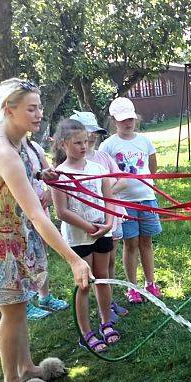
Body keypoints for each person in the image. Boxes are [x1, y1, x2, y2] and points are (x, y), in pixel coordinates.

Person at [0, 78, 93, 382]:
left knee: (19, 308)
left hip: (18, 238)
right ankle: (13, 379)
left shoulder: (22, 141)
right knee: (11, 313)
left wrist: (41, 173)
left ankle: (27, 368)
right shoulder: (0, 150)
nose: (39, 114)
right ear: (9, 110)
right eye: (31, 108)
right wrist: (74, 259)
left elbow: (26, 175)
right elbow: (36, 214)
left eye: (39, 107)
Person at [51, 118, 120, 352]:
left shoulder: (98, 169)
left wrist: (108, 224)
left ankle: (105, 321)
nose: (84, 147)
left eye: (86, 142)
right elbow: (61, 211)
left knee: (103, 277)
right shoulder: (59, 175)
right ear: (63, 144)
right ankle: (86, 332)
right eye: (78, 143)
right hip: (78, 237)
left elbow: (108, 200)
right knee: (84, 285)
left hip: (102, 231)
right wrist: (89, 227)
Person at [98, 97, 163, 304]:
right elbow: (105, 174)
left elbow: (152, 168)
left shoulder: (145, 141)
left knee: (146, 241)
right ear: (114, 121)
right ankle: (132, 286)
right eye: (123, 120)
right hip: (122, 203)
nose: (128, 123)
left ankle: (150, 282)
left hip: (146, 198)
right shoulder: (107, 145)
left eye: (131, 119)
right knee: (130, 243)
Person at [69, 111, 129, 320]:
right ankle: (100, 308)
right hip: (84, 227)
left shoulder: (102, 158)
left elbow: (123, 180)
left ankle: (108, 302)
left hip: (108, 218)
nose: (92, 137)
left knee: (109, 261)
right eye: (87, 133)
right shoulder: (67, 165)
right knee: (89, 271)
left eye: (95, 133)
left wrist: (104, 191)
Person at [23, 137, 69, 320]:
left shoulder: (34, 147)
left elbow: (48, 172)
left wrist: (49, 191)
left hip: (39, 208)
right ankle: (25, 302)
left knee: (41, 250)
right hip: (19, 213)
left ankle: (44, 296)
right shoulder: (5, 149)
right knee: (23, 255)